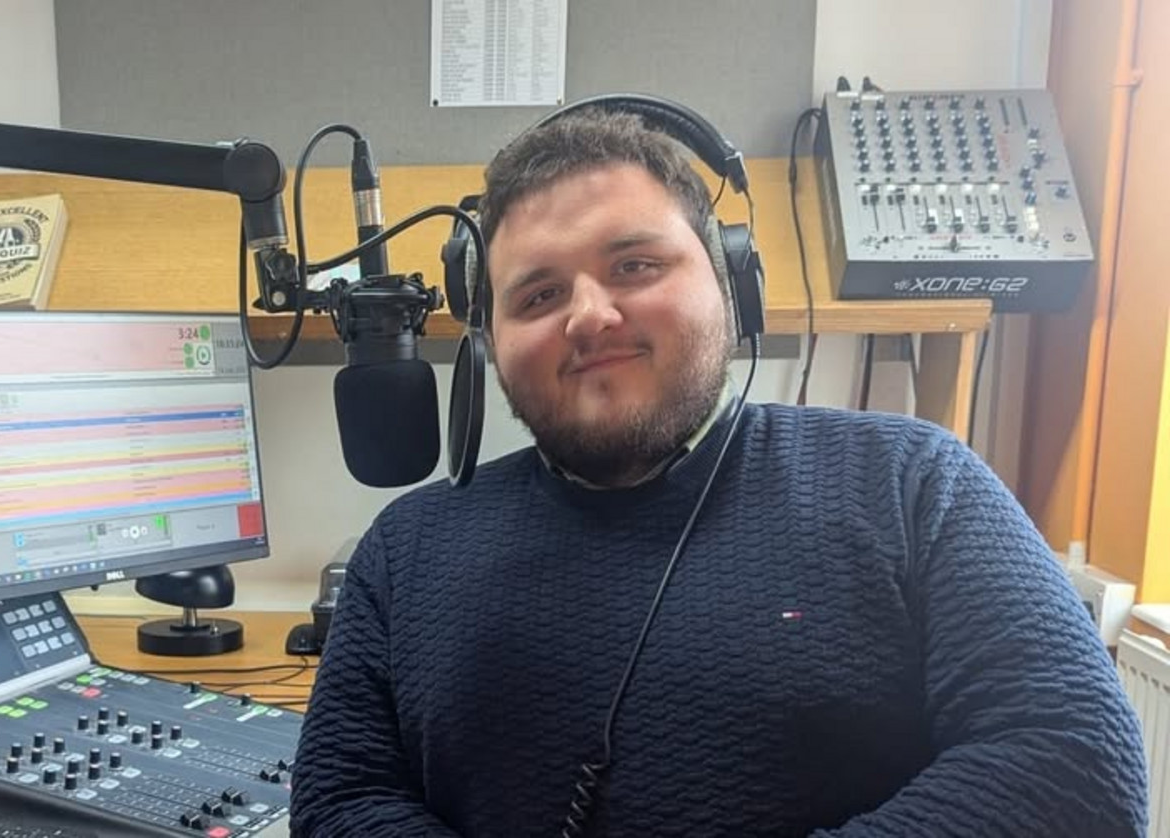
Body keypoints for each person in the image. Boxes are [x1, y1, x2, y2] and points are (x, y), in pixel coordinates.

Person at [288, 106, 1149, 837]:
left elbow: (1076, 766)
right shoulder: (406, 550)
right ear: (492, 342)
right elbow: (340, 802)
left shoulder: (912, 484)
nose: (589, 315)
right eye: (538, 295)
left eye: (635, 265)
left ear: (733, 285)